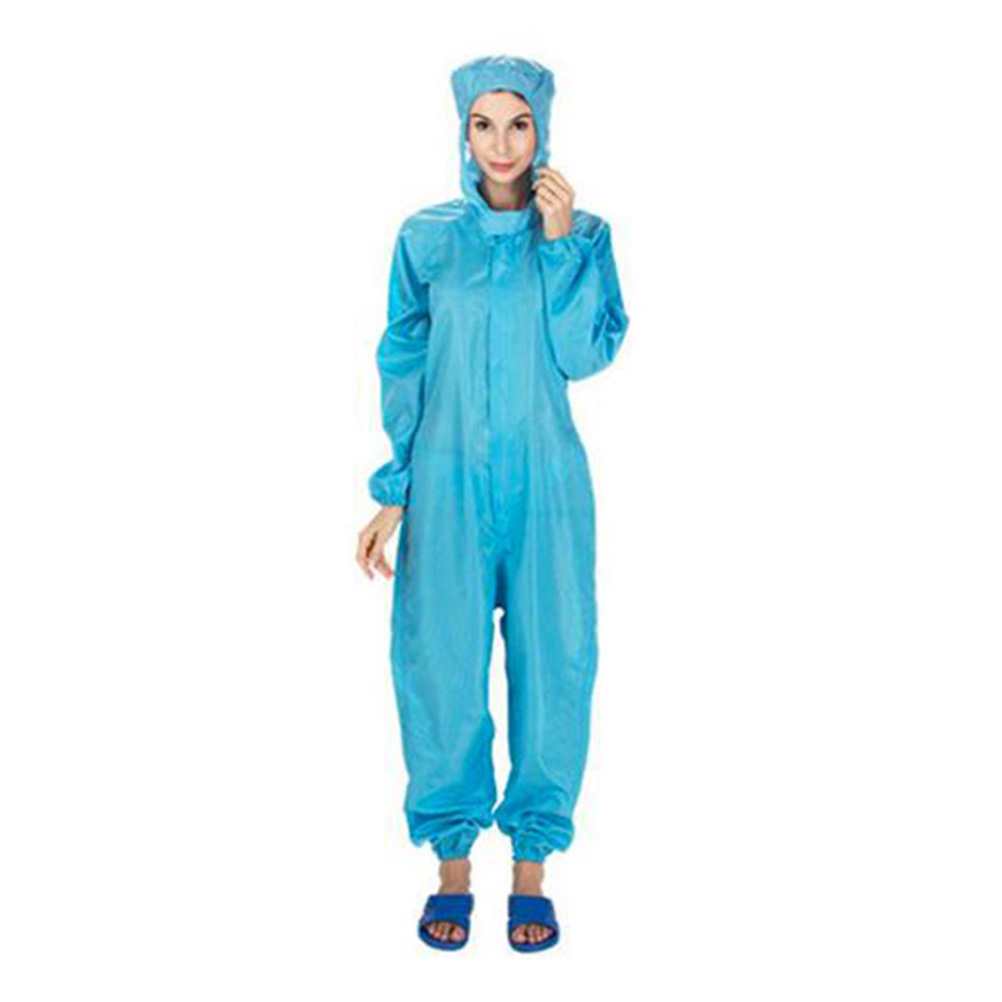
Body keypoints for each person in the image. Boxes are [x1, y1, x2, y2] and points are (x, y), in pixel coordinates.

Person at [357, 55, 629, 952]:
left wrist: (559, 244)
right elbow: (403, 361)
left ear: (542, 128)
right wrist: (396, 491)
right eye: (485, 124)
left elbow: (584, 355)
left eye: (518, 124)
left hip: (548, 486)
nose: (502, 144)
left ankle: (532, 866)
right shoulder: (426, 239)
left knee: (557, 663)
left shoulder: (582, 234)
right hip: (443, 482)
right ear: (462, 131)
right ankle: (451, 864)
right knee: (438, 664)